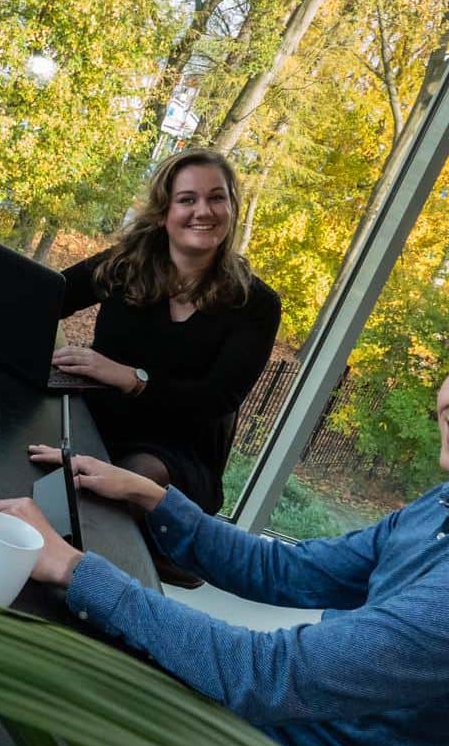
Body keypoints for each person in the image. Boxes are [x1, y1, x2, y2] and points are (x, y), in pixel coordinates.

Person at [0, 293, 449, 746]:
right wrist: (157, 498)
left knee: (3, 690)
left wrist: (72, 569)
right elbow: (295, 572)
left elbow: (270, 677)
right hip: (278, 725)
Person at [50, 149, 281, 583]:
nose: (203, 211)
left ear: (231, 208)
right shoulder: (124, 265)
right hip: (100, 418)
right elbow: (49, 297)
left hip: (179, 451)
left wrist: (129, 378)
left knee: (130, 479)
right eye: (187, 199)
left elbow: (217, 400)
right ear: (164, 212)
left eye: (217, 198)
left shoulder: (256, 304)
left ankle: (98, 578)